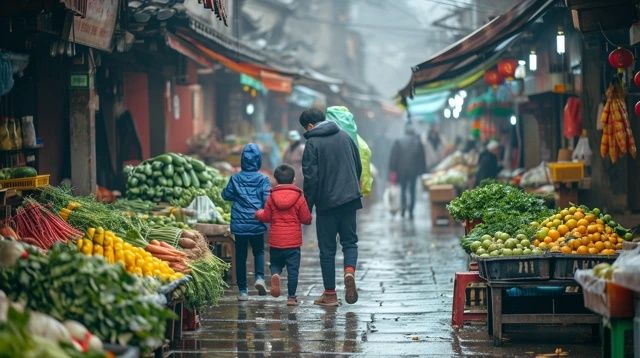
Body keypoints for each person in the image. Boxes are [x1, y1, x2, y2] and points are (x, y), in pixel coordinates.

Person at [300, 108, 362, 306]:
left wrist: (306, 208)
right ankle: (349, 271)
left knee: (327, 250)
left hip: (326, 204)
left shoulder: (312, 143)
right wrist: (352, 188)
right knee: (350, 242)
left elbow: (311, 179)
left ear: (310, 126)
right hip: (350, 199)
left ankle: (330, 295)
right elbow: (358, 165)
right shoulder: (345, 136)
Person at [255, 164, 313, 306]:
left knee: (275, 263)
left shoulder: (271, 197)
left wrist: (258, 213)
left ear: (276, 180)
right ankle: (291, 297)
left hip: (276, 241)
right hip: (293, 243)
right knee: (293, 270)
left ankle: (275, 275)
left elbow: (267, 216)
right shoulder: (299, 197)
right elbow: (306, 219)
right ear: (293, 180)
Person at [222, 143, 271, 301]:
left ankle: (243, 291)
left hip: (239, 224)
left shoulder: (235, 178)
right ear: (258, 161)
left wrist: (237, 194)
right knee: (259, 251)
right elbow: (267, 200)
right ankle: (259, 278)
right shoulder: (263, 179)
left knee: (241, 255)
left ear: (242, 160)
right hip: (257, 220)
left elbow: (226, 195)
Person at [325, 106, 374, 197]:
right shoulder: (360, 143)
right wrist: (363, 185)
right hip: (351, 189)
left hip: (329, 191)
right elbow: (364, 164)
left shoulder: (321, 139)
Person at [389, 125, 427, 219]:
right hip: (413, 170)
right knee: (412, 190)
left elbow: (394, 157)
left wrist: (392, 169)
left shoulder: (398, 141)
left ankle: (403, 208)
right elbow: (422, 158)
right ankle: (411, 210)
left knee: (403, 189)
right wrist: (423, 171)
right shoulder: (418, 142)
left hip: (401, 170)